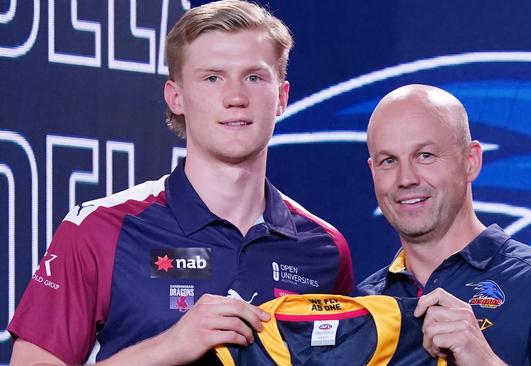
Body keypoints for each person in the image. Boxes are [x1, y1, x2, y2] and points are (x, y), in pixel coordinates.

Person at [8, 1, 353, 364]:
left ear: (281, 97)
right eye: (212, 78)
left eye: (254, 77)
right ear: (176, 97)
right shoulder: (99, 229)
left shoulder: (325, 249)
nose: (235, 98)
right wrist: (170, 346)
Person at [357, 84, 531, 365]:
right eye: (388, 161)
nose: (406, 178)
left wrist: (486, 362)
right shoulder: (363, 306)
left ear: (471, 161)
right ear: (373, 171)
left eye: (425, 156)